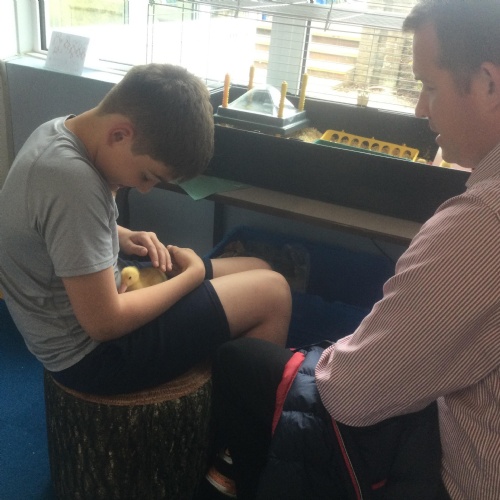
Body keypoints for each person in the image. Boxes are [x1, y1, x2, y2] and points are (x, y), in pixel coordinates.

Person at [209, 1, 500, 498]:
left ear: (489, 83)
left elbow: (351, 394)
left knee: (241, 365)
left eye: (430, 87)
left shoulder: (481, 224)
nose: (420, 108)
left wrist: (324, 357)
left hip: (463, 476)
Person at [0, 63, 291, 396]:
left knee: (257, 267)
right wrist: (191, 277)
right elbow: (104, 323)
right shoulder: (73, 182)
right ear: (119, 134)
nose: (144, 189)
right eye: (147, 176)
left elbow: (48, 226)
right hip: (91, 357)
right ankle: (238, 422)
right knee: (274, 293)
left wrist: (120, 234)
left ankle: (226, 375)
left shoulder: (57, 131)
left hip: (101, 297)